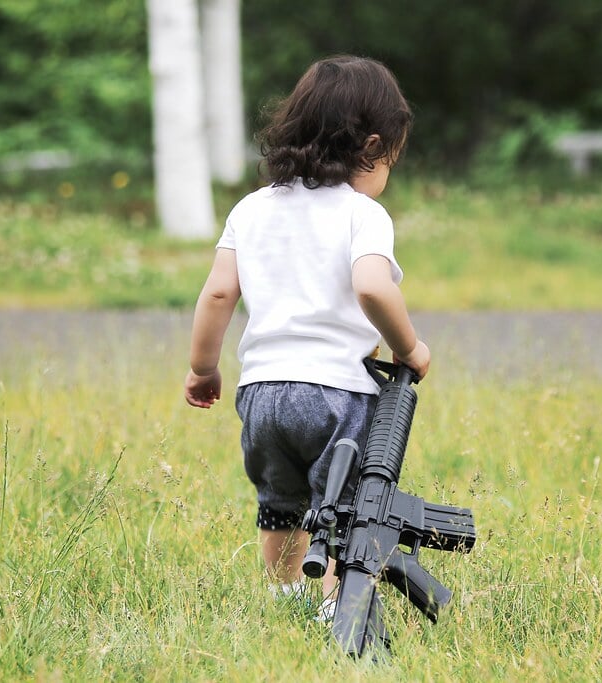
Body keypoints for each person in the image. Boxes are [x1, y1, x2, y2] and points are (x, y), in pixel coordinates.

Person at [183, 55, 430, 619]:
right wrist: (409, 348)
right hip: (338, 392)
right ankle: (334, 607)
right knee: (344, 507)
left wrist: (203, 368)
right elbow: (371, 286)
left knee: (280, 503)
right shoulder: (362, 214)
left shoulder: (251, 208)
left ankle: (282, 597)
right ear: (372, 148)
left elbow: (219, 293)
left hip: (262, 392)